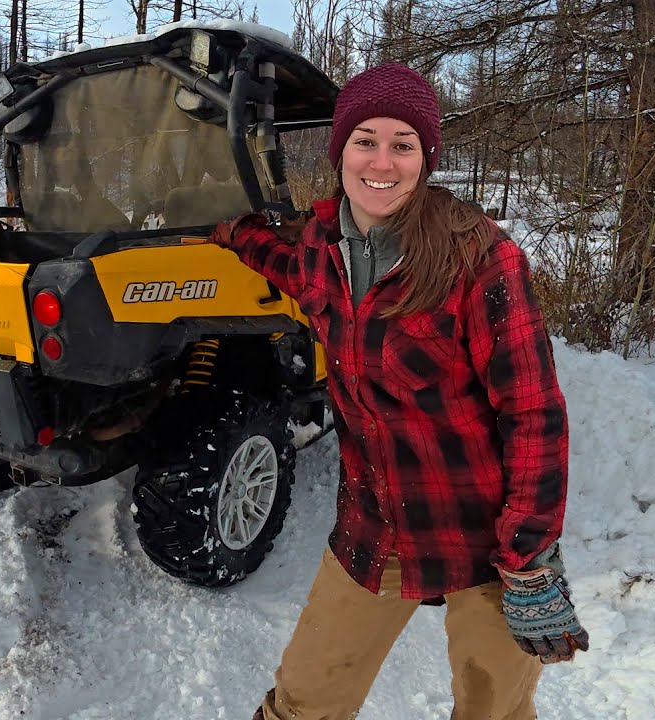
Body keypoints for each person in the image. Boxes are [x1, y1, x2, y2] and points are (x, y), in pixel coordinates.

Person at [210, 62, 590, 720]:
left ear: (425, 157)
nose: (381, 162)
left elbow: (533, 416)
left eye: (402, 144)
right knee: (303, 701)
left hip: (487, 542)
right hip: (375, 527)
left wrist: (528, 555)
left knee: (494, 710)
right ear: (340, 151)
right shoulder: (320, 249)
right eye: (365, 140)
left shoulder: (481, 259)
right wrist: (232, 231)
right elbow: (276, 260)